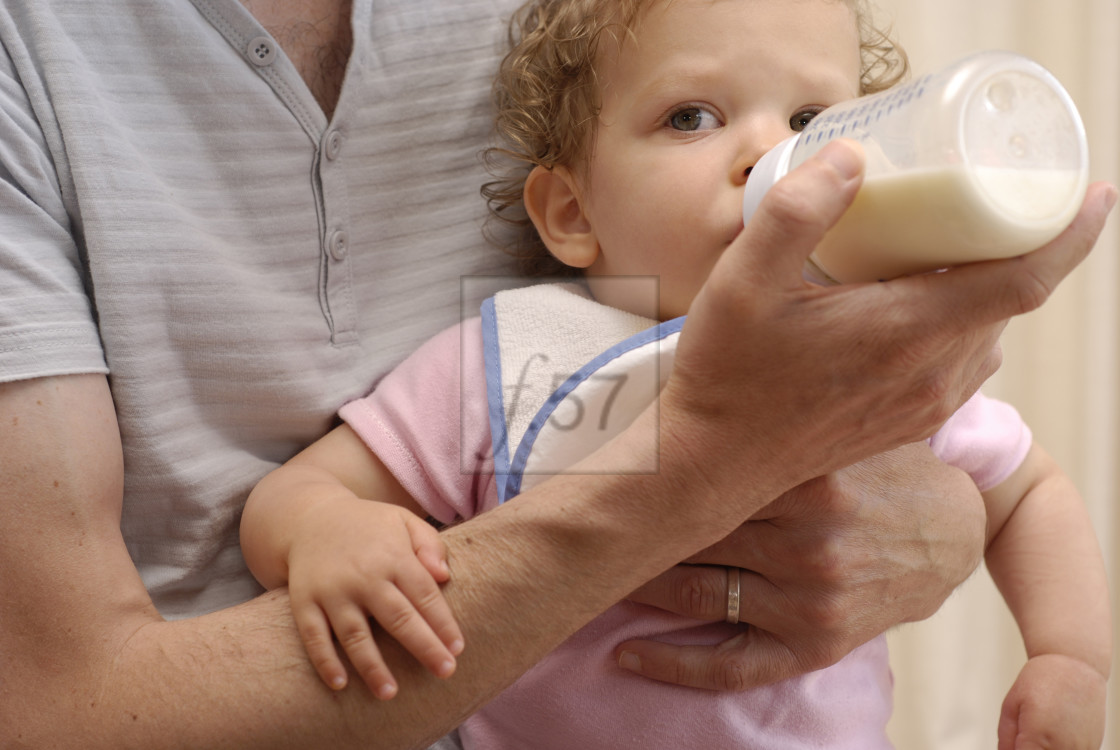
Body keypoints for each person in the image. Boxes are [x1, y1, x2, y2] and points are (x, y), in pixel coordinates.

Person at [0, 1, 1113, 748]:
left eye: (817, 120)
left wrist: (1067, 656)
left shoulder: (857, 356)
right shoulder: (524, 347)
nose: (767, 156)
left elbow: (1026, 492)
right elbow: (302, 493)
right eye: (693, 116)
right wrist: (329, 541)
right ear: (570, 213)